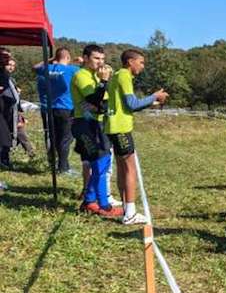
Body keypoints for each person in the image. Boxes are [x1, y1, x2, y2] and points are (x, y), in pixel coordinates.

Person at [105, 49, 169, 225]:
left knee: (121, 167)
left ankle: (127, 209)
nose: (143, 66)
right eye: (141, 62)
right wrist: (154, 96)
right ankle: (130, 213)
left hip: (113, 126)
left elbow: (126, 105)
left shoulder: (117, 75)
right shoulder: (124, 75)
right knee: (130, 169)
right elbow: (132, 104)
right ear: (130, 61)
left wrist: (152, 102)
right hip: (121, 128)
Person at [71, 44, 123, 218]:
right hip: (85, 125)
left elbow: (102, 103)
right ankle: (104, 205)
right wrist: (103, 84)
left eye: (102, 59)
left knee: (104, 162)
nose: (100, 62)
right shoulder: (81, 75)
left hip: (99, 125)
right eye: (96, 58)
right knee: (99, 164)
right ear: (85, 58)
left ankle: (89, 201)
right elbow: (93, 98)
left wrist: (99, 98)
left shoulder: (96, 76)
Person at [33, 47, 81, 175]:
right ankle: (63, 168)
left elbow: (35, 67)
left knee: (54, 137)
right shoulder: (72, 69)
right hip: (66, 107)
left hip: (50, 108)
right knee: (66, 138)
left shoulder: (47, 69)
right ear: (68, 58)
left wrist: (52, 58)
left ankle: (54, 164)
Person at [0, 49, 15, 170]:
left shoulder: (4, 73)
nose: (8, 60)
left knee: (6, 137)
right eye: (5, 57)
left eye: (8, 57)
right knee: (4, 138)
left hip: (6, 110)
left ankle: (4, 160)